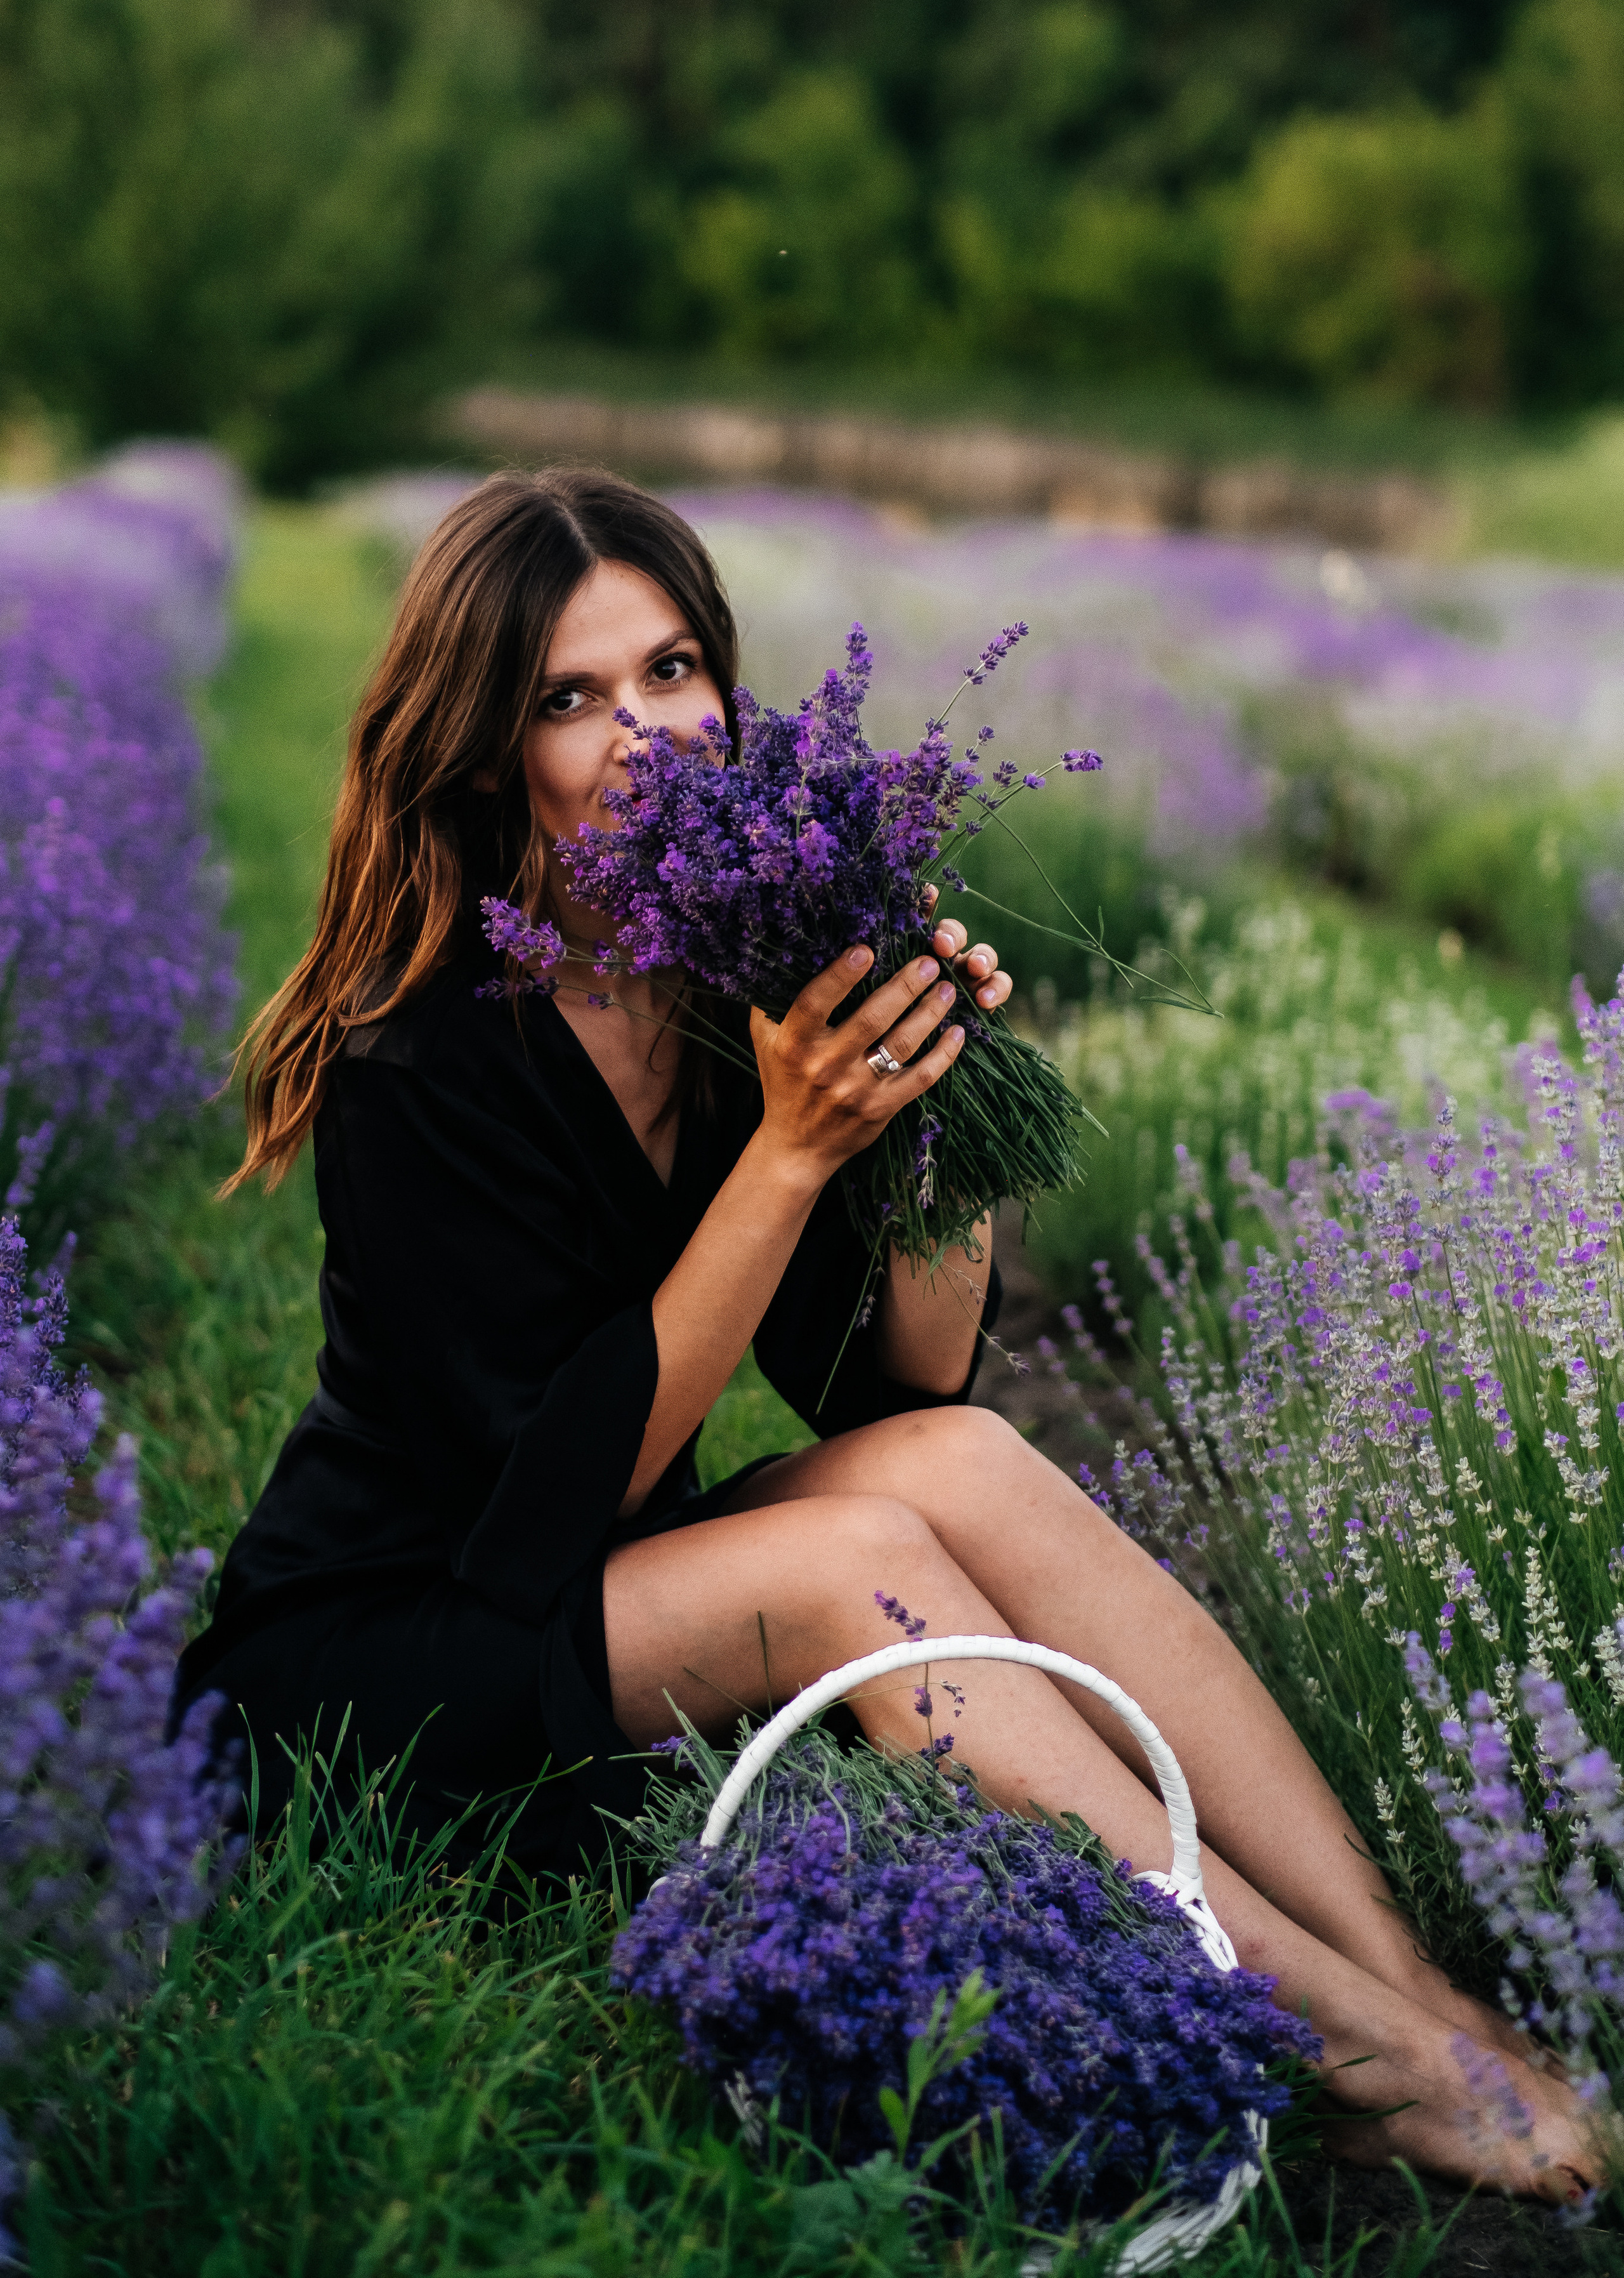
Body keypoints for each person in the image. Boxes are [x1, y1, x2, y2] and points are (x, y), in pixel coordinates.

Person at [176, 467, 1601, 2202]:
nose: (646, 733)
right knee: (850, 1564)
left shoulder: (726, 980)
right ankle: (1355, 2054)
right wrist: (790, 1152)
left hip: (592, 1586)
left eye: (673, 670)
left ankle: (1419, 1984)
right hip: (389, 1655)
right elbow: (549, 1504)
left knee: (960, 1460)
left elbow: (900, 1381)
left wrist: (932, 1111)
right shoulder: (420, 1059)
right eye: (570, 698)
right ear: (486, 754)